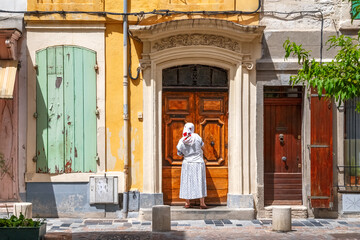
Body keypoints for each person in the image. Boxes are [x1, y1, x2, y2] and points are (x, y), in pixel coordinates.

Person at [176, 122, 207, 209]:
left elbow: (179, 153)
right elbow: (203, 147)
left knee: (187, 182)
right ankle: (202, 203)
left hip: (187, 163)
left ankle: (187, 203)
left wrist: (186, 153)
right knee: (200, 182)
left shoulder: (182, 141)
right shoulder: (197, 137)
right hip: (198, 162)